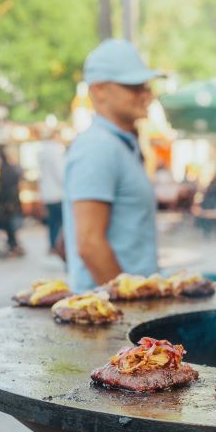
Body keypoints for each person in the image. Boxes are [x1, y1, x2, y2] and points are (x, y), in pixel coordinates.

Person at [62, 39, 161, 291]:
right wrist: (128, 308)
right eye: (133, 86)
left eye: (146, 86)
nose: (146, 94)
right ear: (99, 91)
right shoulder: (98, 147)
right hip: (111, 316)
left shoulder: (120, 145)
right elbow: (89, 244)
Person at [0, 147, 24, 257]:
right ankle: (14, 246)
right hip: (13, 202)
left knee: (10, 226)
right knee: (12, 227)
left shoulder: (5, 169)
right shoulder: (11, 168)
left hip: (8, 204)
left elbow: (2, 187)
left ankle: (14, 246)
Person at [38, 130, 66, 252]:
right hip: (57, 194)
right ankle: (57, 246)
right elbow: (60, 174)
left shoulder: (43, 151)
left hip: (48, 194)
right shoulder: (55, 151)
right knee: (60, 222)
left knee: (53, 222)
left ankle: (53, 245)